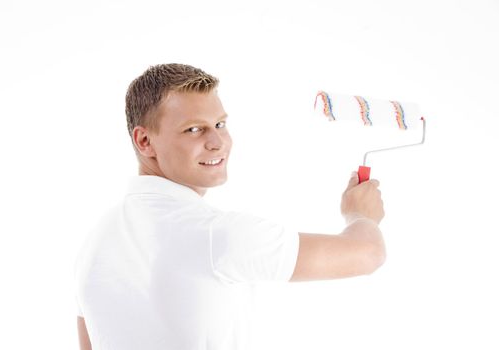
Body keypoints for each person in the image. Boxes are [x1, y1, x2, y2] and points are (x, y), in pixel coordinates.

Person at [74, 63, 385, 350]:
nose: (218, 142)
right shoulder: (216, 234)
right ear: (144, 142)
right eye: (194, 129)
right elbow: (367, 254)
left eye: (220, 124)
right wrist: (361, 214)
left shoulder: (95, 242)